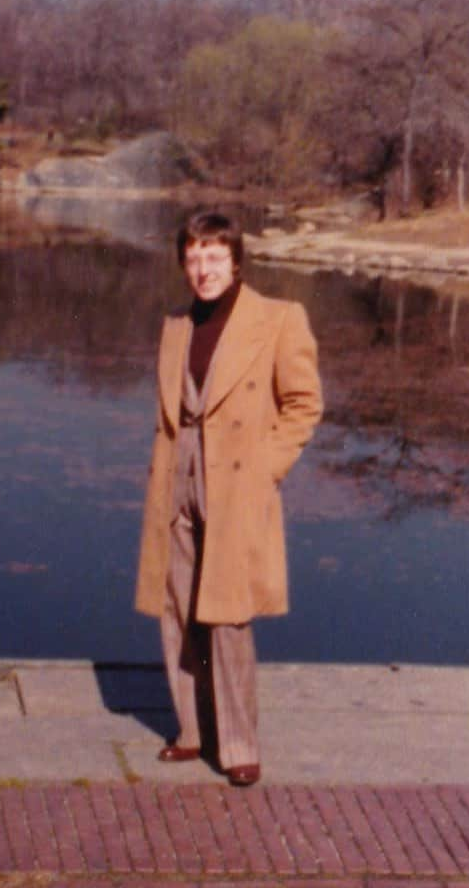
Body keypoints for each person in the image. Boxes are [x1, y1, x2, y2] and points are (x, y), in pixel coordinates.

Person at [135, 210, 323, 787]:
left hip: (238, 482)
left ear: (236, 261)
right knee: (178, 609)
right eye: (192, 258)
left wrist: (266, 470)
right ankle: (192, 731)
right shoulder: (175, 324)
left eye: (214, 257)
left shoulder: (278, 318)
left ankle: (239, 743)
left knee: (228, 615)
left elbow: (304, 404)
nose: (203, 269)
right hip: (178, 477)